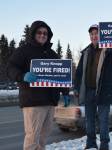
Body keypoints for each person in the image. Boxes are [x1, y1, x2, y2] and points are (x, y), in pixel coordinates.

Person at [7, 21, 61, 150]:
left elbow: (59, 75)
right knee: (32, 138)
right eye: (39, 32)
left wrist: (64, 92)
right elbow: (10, 68)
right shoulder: (23, 51)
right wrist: (22, 75)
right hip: (33, 101)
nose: (42, 35)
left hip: (50, 101)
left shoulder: (52, 54)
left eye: (45, 33)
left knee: (43, 138)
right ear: (33, 33)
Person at [74, 24, 112, 150]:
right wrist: (76, 87)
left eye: (96, 33)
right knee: (89, 120)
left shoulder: (109, 50)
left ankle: (104, 145)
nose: (94, 36)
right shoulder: (86, 52)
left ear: (102, 35)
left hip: (104, 91)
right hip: (88, 91)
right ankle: (91, 143)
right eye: (92, 34)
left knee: (103, 120)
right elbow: (79, 72)